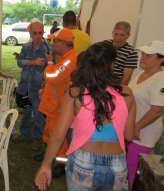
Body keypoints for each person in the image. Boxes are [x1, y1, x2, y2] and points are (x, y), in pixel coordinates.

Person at [35, 42, 136, 191]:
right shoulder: (127, 93)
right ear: (112, 64)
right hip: (117, 165)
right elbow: (129, 135)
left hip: (84, 162)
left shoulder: (76, 92)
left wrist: (46, 165)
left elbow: (58, 135)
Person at [34, 28, 77, 179]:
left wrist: (50, 62)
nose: (52, 44)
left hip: (59, 107)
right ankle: (49, 154)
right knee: (50, 131)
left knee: (60, 136)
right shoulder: (66, 57)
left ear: (63, 43)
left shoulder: (70, 60)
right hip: (53, 104)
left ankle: (61, 164)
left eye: (54, 41)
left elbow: (53, 76)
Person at [127, 40, 164, 190]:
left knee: (132, 168)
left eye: (148, 55)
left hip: (143, 132)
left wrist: (136, 127)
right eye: (143, 54)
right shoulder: (142, 73)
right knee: (128, 166)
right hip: (133, 128)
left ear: (161, 60)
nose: (143, 57)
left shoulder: (160, 79)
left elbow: (158, 110)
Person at [12, 22, 54, 151]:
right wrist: (32, 62)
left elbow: (53, 68)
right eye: (35, 33)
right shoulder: (26, 47)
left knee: (38, 115)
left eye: (40, 33)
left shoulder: (49, 49)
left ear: (43, 33)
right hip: (25, 87)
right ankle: (24, 133)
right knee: (25, 113)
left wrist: (47, 81)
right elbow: (20, 62)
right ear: (30, 33)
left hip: (38, 89)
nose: (37, 35)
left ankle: (37, 137)